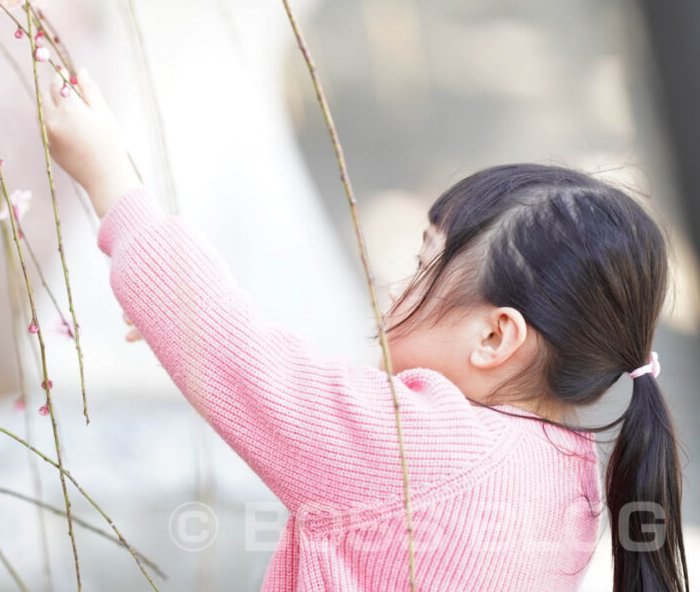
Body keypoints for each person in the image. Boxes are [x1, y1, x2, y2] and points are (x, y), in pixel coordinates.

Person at [40, 69, 690, 591]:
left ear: (496, 337)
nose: (394, 286)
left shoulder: (429, 453)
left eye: (421, 266)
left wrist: (111, 180)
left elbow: (247, 361)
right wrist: (169, 318)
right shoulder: (563, 471)